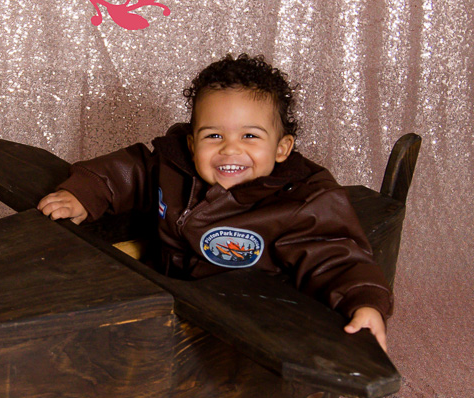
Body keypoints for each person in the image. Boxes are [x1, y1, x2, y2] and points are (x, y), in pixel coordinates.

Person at [37, 53, 392, 352]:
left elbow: (336, 256)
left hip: (244, 316)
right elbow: (128, 171)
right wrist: (82, 193)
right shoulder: (172, 166)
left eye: (250, 136)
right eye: (214, 135)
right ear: (193, 144)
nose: (230, 148)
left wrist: (363, 302)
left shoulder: (302, 202)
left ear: (282, 148)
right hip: (169, 290)